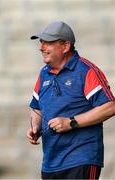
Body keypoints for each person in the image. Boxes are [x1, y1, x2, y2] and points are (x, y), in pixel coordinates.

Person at [27, 21, 115, 179]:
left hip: (82, 158)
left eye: (48, 43)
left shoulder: (86, 70)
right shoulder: (44, 73)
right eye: (41, 42)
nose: (41, 47)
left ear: (65, 46)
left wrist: (71, 122)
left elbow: (110, 106)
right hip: (50, 162)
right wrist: (35, 127)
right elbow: (36, 107)